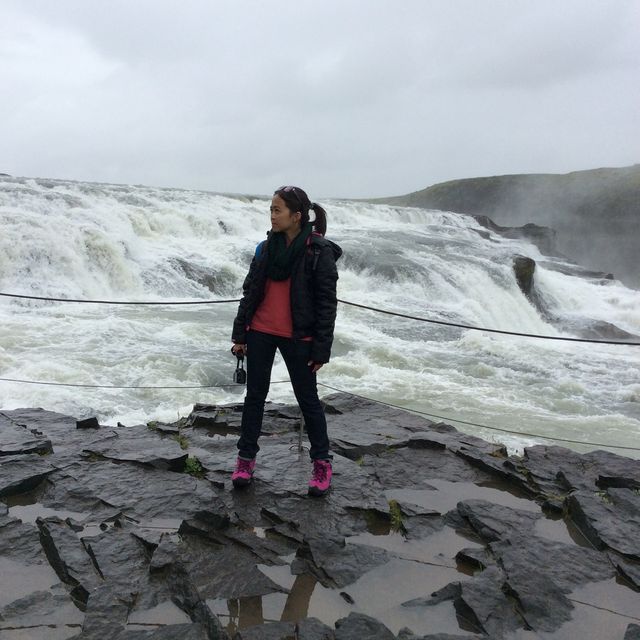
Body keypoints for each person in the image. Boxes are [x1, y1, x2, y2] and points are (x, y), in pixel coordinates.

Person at [231, 185, 342, 496]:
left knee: (308, 401)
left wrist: (321, 348)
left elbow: (327, 304)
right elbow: (250, 291)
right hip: (261, 332)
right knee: (254, 397)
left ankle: (322, 463)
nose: (272, 215)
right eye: (271, 209)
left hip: (299, 338)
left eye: (277, 210)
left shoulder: (318, 252)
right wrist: (240, 334)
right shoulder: (266, 248)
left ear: (297, 216)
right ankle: (245, 460)